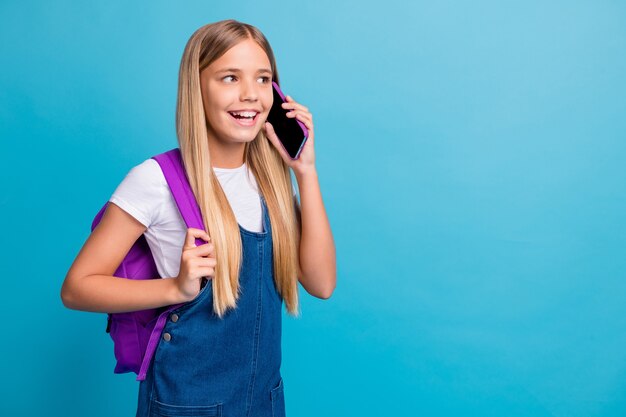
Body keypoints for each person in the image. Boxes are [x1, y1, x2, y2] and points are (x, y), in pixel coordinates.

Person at [60, 19, 336, 417]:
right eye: (229, 77)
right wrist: (175, 288)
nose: (250, 95)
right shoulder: (156, 181)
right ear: (197, 87)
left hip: (263, 402)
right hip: (186, 405)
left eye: (262, 80)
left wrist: (305, 172)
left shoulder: (270, 182)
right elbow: (76, 288)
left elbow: (322, 283)